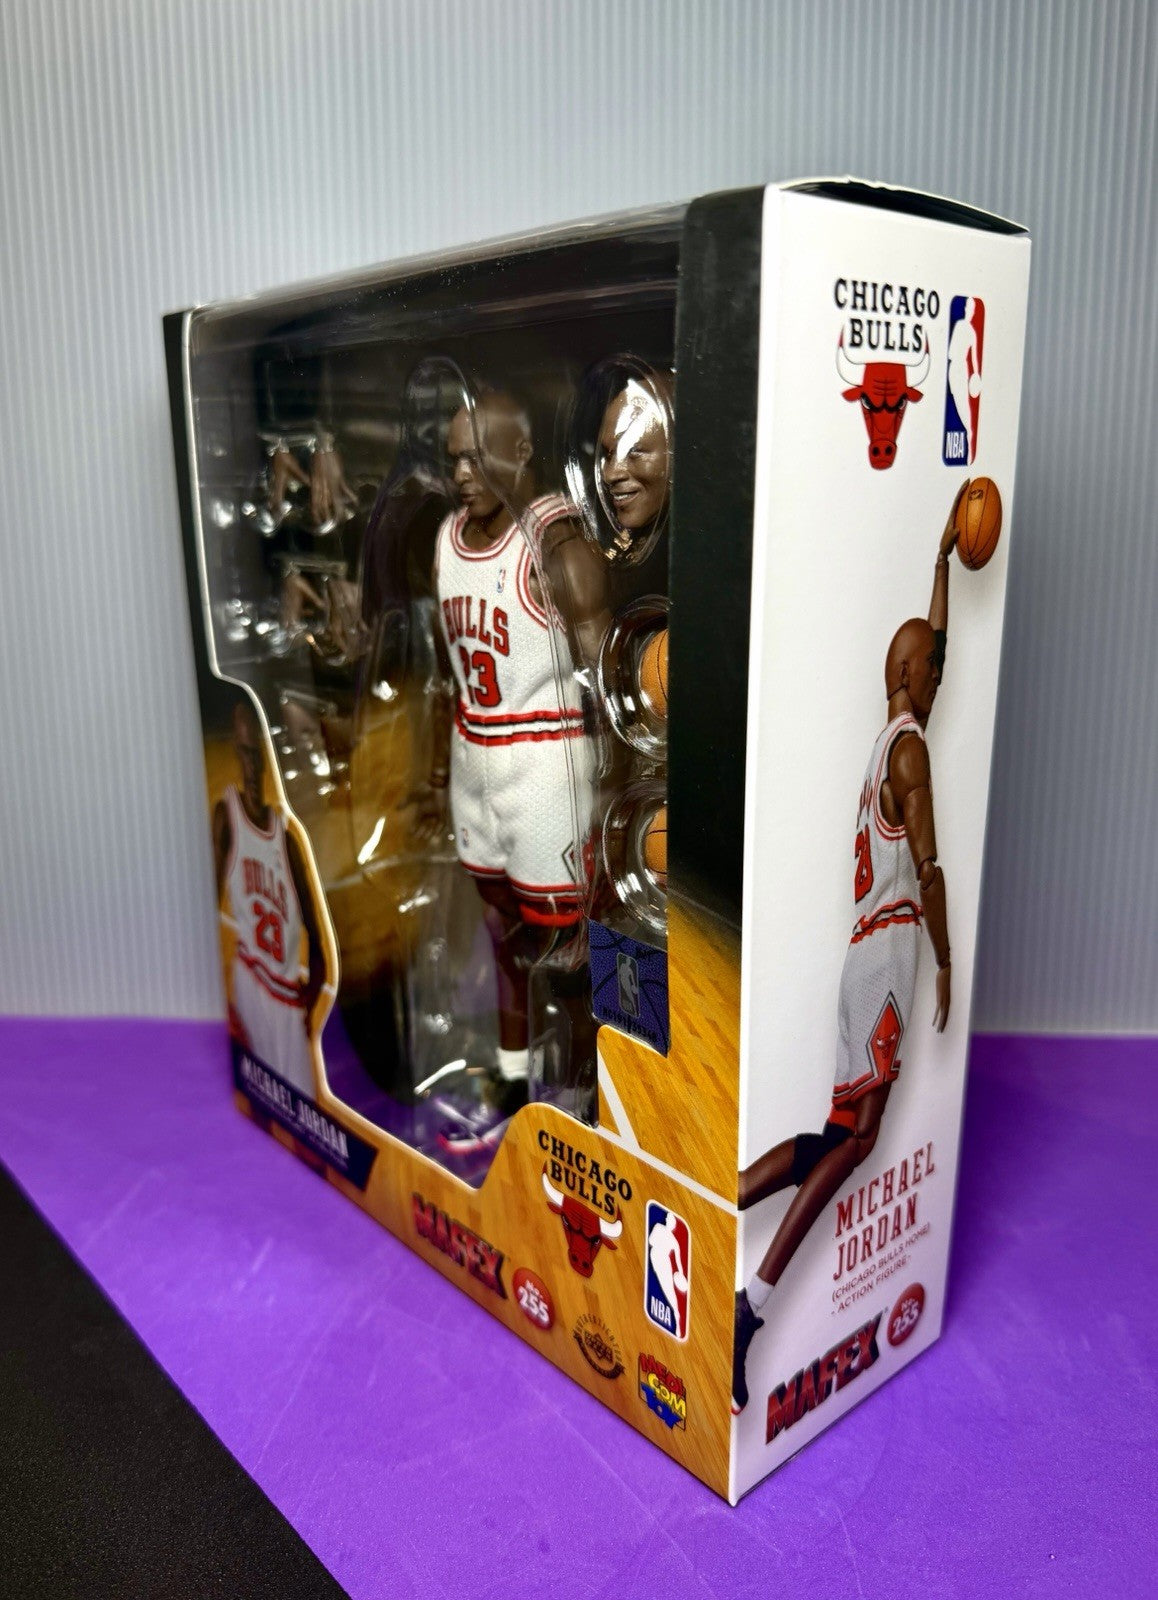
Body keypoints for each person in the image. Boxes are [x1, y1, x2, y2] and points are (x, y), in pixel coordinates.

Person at [732, 483, 969, 1415]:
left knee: (840, 1137)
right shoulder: (911, 756)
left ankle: (720, 1201)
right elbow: (932, 873)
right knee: (859, 1140)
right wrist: (945, 960)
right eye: (933, 670)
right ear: (909, 675)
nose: (942, 676)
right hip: (892, 952)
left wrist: (942, 559)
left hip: (864, 954)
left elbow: (931, 643)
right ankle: (751, 1307)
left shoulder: (887, 742)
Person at [412, 390, 610, 1152]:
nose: (462, 472)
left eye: (477, 455)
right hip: (475, 756)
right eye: (453, 458)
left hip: (544, 762)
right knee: (502, 940)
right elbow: (444, 673)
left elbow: (610, 682)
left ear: (522, 452)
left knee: (570, 955)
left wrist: (617, 794)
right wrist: (433, 777)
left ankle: (586, 1105)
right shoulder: (445, 539)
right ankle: (509, 1083)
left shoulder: (555, 540)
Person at [213, 698, 328, 1098]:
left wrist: (311, 999)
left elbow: (317, 938)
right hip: (249, 981)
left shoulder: (286, 839)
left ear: (267, 757)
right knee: (255, 1099)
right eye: (244, 753)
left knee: (301, 1109)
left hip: (286, 998)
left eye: (256, 754)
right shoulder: (227, 817)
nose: (250, 765)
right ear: (235, 750)